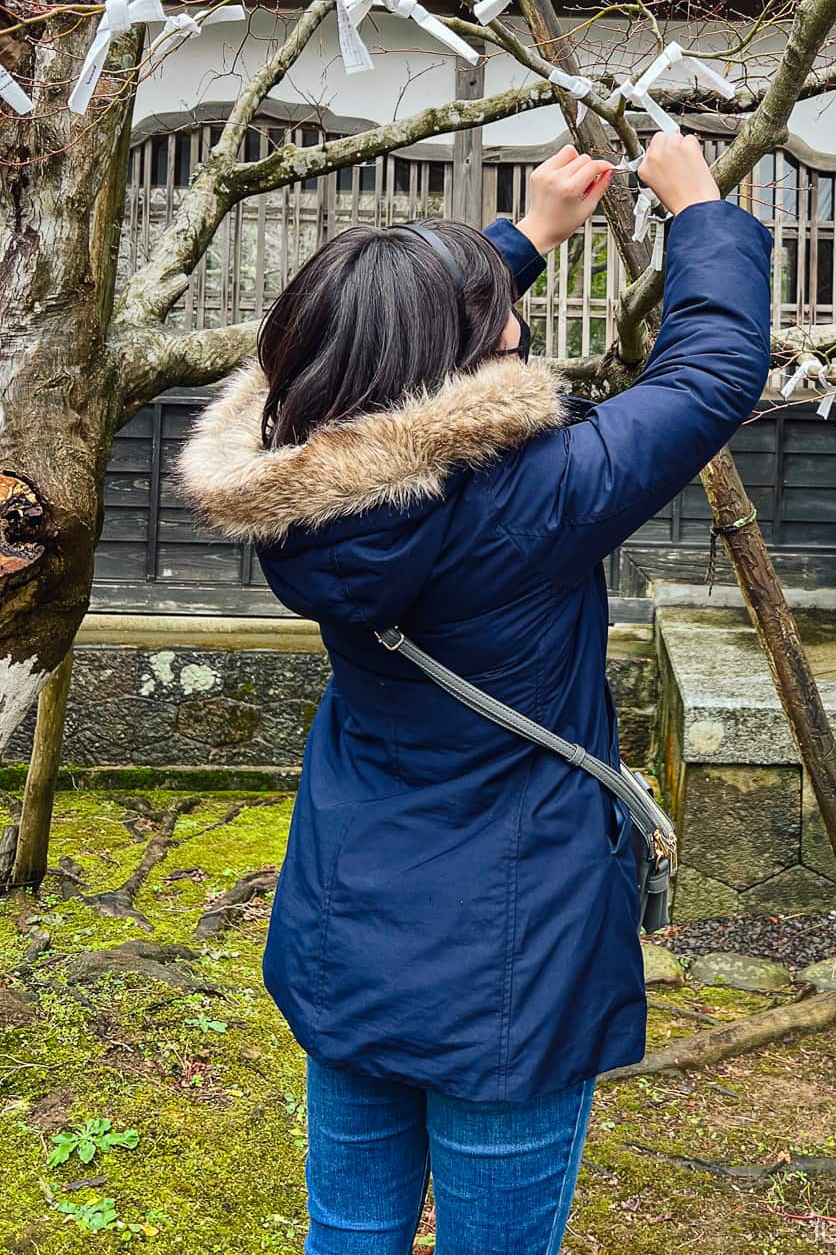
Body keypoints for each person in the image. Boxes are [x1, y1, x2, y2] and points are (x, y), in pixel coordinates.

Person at [177, 131, 772, 1254]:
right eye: (495, 308)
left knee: (348, 1230)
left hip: (350, 918)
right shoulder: (536, 496)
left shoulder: (289, 492)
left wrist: (530, 233)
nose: (513, 322)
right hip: (516, 944)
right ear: (469, 348)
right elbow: (710, 373)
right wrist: (700, 214)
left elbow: (372, 355)